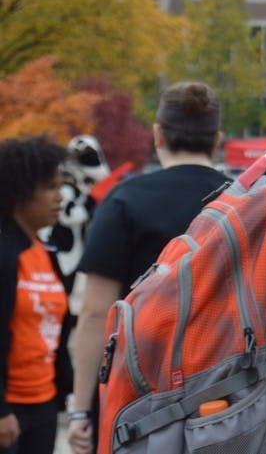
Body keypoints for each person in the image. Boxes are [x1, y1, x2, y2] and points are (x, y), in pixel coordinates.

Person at [67, 82, 227, 454]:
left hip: (134, 396)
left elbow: (95, 314)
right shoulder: (245, 200)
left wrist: (80, 410)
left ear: (157, 136)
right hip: (222, 393)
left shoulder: (125, 200)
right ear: (217, 140)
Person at [0, 135, 73, 454]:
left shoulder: (46, 253)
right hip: (7, 408)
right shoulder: (5, 253)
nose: (60, 196)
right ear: (20, 192)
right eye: (50, 187)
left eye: (60, 186)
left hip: (44, 404)